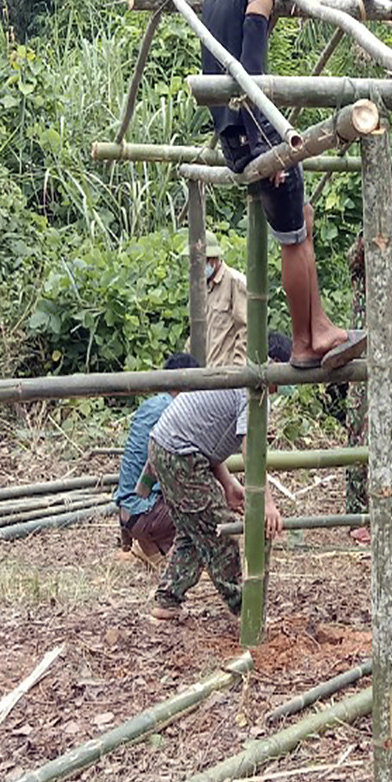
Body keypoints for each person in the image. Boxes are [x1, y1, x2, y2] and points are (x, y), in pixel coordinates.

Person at [201, 0, 363, 371]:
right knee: (292, 237)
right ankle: (306, 339)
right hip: (256, 127)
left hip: (233, 132)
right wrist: (267, 145)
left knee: (302, 218)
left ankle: (320, 326)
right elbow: (250, 67)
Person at [144, 335, 292, 622]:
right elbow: (252, 452)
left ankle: (167, 599)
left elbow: (207, 439)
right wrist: (268, 503)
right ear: (273, 365)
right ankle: (246, 609)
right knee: (218, 529)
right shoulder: (252, 390)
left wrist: (227, 484)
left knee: (195, 528)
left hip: (171, 448)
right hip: (178, 454)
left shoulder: (238, 378)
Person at [342, 181, 392, 545]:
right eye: (381, 226)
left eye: (389, 227)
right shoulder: (361, 263)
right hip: (365, 360)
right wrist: (376, 208)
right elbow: (357, 252)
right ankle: (358, 513)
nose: (385, 233)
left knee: (389, 435)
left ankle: (384, 509)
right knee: (360, 436)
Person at [113, 352, 197, 567]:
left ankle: (149, 549)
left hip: (128, 512)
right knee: (208, 492)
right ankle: (189, 560)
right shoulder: (176, 408)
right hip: (147, 510)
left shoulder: (151, 404)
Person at [199, 232, 249, 368]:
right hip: (204, 373)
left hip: (226, 374)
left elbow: (246, 329)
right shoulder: (201, 288)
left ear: (212, 260)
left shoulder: (235, 282)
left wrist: (238, 368)